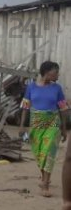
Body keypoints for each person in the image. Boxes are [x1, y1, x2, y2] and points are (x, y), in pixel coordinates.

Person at [20, 61, 68, 197]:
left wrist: (64, 128)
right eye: (56, 72)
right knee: (40, 153)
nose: (58, 75)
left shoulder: (57, 88)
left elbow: (63, 109)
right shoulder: (31, 87)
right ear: (47, 72)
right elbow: (25, 107)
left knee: (49, 152)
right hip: (36, 124)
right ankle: (43, 177)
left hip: (53, 123)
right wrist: (22, 125)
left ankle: (46, 184)